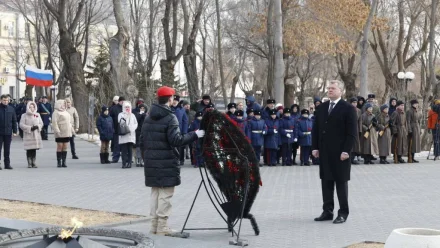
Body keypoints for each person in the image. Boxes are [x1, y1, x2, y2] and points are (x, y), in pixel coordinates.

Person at [140, 86, 205, 235]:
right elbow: (176, 140)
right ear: (170, 99)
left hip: (151, 161)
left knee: (155, 192)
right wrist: (195, 135)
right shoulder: (170, 117)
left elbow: (142, 140)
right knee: (166, 194)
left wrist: (147, 157)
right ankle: (162, 227)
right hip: (167, 161)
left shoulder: (149, 116)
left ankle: (154, 226)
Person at [312, 80, 357, 224]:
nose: (330, 90)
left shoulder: (348, 108)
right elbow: (316, 130)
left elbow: (352, 133)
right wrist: (315, 147)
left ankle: (343, 213)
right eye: (329, 88)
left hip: (340, 154)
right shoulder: (322, 107)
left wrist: (346, 151)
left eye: (333, 88)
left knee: (341, 183)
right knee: (326, 182)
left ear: (340, 91)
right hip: (325, 152)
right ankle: (327, 211)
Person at [19, 101, 43, 168]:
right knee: (29, 149)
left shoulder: (37, 114)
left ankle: (34, 162)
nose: (32, 108)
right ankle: (29, 162)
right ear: (27, 107)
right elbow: (21, 124)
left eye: (33, 107)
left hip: (36, 134)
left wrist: (37, 126)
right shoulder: (24, 115)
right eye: (30, 107)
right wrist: (29, 128)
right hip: (28, 134)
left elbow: (41, 123)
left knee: (34, 149)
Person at [52, 99, 72, 168]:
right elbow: (54, 123)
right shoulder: (56, 112)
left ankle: (64, 161)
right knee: (60, 146)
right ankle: (59, 162)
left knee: (65, 146)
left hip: (66, 132)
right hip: (60, 132)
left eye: (64, 104)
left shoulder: (66, 112)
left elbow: (69, 122)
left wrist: (71, 130)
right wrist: (57, 131)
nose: (64, 106)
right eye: (62, 104)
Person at [118, 101, 138, 169]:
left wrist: (131, 129)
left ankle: (129, 163)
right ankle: (124, 163)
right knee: (124, 150)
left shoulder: (133, 115)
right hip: (123, 135)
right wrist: (126, 116)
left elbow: (136, 123)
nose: (127, 108)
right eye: (126, 107)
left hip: (130, 135)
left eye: (128, 107)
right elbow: (120, 122)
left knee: (130, 150)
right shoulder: (120, 114)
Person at [0, 94, 18, 170]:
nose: (5, 101)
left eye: (7, 100)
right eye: (4, 100)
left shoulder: (11, 109)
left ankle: (7, 164)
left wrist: (15, 131)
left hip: (8, 132)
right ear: (1, 100)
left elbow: (14, 120)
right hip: (0, 133)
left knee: (7, 149)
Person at [171, 95, 188, 166]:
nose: (174, 102)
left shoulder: (181, 109)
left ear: (178, 102)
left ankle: (181, 159)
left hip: (180, 130)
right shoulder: (168, 108)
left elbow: (185, 121)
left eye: (176, 101)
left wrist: (184, 132)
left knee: (180, 146)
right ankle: (172, 159)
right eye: (174, 100)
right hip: (170, 130)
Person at [110, 96, 124, 163]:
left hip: (124, 129)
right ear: (119, 101)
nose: (123, 102)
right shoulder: (113, 108)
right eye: (121, 101)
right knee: (117, 144)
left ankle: (126, 157)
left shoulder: (126, 108)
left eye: (124, 101)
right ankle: (115, 158)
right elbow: (110, 119)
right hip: (116, 128)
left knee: (125, 145)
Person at [349, 98, 362, 165]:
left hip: (356, 128)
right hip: (349, 128)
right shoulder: (348, 109)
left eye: (356, 102)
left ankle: (353, 158)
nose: (355, 104)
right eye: (353, 102)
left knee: (355, 144)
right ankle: (349, 158)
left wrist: (360, 130)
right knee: (350, 143)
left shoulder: (358, 111)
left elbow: (360, 120)